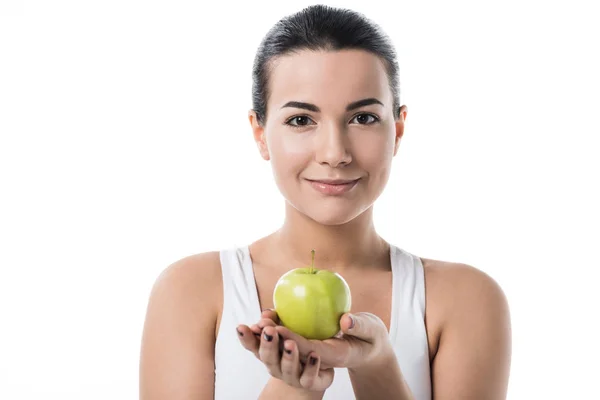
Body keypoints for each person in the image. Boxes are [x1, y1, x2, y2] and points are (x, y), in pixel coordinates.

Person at [139, 4, 512, 399]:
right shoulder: (192, 291)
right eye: (301, 120)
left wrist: (377, 366)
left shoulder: (465, 299)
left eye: (363, 118)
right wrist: (293, 386)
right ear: (261, 133)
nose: (335, 153)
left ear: (398, 130)